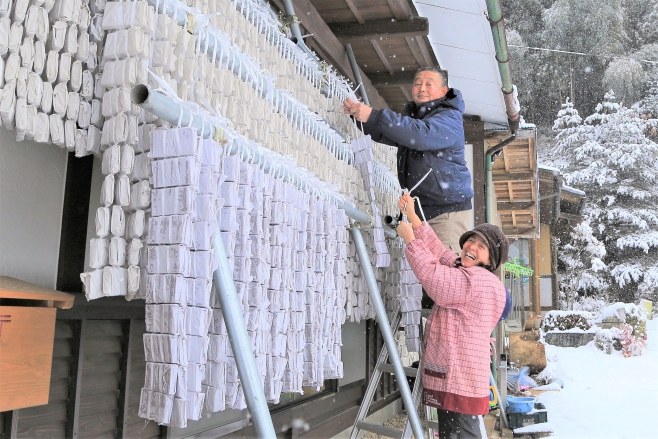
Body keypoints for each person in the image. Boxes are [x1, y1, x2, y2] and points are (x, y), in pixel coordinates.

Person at [396, 193, 508, 439]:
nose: (472, 248)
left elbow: (435, 280)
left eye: (482, 247)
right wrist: (414, 217)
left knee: (459, 434)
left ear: (491, 260)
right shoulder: (471, 272)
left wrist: (411, 241)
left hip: (460, 378)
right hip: (461, 378)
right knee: (455, 433)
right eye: (472, 241)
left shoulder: (477, 281)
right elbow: (439, 254)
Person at [343, 67, 473, 253]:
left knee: (444, 275)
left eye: (429, 84)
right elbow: (387, 133)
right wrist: (359, 116)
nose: (422, 88)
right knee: (427, 274)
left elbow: (419, 135)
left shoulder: (449, 118)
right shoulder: (417, 119)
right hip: (423, 212)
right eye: (417, 83)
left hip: (446, 213)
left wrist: (374, 115)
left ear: (444, 91)